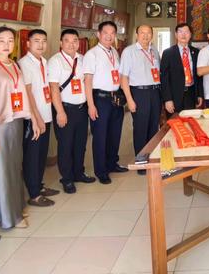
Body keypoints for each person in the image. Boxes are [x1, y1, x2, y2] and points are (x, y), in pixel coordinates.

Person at [0, 27, 39, 229]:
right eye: (1, 41)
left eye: (10, 40)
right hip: (0, 126)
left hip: (16, 122)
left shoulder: (15, 65)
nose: (6, 45)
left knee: (15, 168)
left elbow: (23, 94)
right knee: (2, 171)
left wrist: (32, 118)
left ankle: (15, 206)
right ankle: (9, 218)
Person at [48, 29, 95, 193]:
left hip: (81, 109)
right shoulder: (55, 61)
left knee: (80, 144)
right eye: (67, 41)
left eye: (75, 40)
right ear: (61, 43)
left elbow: (87, 83)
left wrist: (90, 105)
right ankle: (66, 178)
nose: (71, 44)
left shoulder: (82, 59)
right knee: (65, 145)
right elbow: (53, 88)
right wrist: (60, 112)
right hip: (65, 109)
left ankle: (78, 173)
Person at [18, 29, 59, 207]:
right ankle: (34, 194)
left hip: (46, 115)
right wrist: (37, 117)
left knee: (42, 154)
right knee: (32, 156)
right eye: (36, 41)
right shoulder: (24, 63)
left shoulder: (44, 61)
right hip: (34, 118)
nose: (41, 44)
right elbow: (28, 94)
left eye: (44, 41)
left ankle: (39, 185)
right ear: (28, 43)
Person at [84, 21, 127, 185]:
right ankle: (101, 171)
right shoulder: (91, 54)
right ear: (98, 34)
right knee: (100, 136)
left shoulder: (114, 52)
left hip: (115, 98)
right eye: (106, 33)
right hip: (100, 99)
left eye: (112, 33)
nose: (109, 36)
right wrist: (91, 105)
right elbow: (88, 81)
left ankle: (112, 163)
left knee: (114, 134)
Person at [120, 25, 161, 175]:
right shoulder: (129, 52)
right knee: (141, 128)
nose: (145, 36)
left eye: (148, 33)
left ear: (152, 35)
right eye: (142, 33)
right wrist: (129, 100)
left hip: (155, 92)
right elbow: (123, 78)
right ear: (136, 34)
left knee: (153, 128)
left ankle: (151, 159)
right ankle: (141, 162)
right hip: (139, 93)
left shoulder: (154, 50)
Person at [160, 23, 203, 116]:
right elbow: (164, 78)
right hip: (174, 95)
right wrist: (167, 99)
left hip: (191, 94)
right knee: (174, 124)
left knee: (190, 122)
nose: (183, 35)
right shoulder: (168, 53)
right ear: (176, 35)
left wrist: (199, 95)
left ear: (190, 34)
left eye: (186, 32)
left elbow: (198, 76)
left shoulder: (196, 52)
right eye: (180, 32)